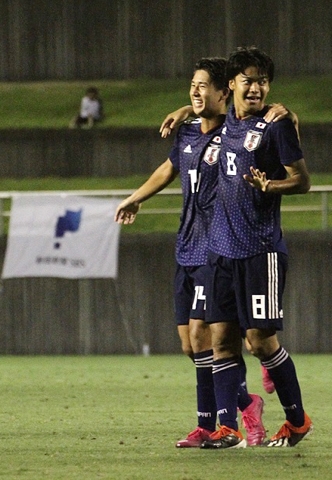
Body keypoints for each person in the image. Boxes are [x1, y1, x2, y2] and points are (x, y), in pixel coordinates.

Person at [115, 57, 272, 448]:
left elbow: (260, 110)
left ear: (224, 93)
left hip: (215, 248)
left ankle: (221, 426)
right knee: (190, 345)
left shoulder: (233, 133)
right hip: (186, 246)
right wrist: (136, 198)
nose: (196, 91)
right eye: (192, 86)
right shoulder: (186, 134)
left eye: (204, 86)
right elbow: (167, 170)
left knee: (208, 337)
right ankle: (243, 403)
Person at [199, 46, 313, 449]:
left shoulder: (276, 125)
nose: (256, 88)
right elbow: (200, 101)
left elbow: (302, 181)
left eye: (263, 81)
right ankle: (227, 428)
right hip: (221, 251)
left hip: (260, 250)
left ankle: (298, 421)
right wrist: (182, 112)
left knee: (261, 341)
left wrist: (272, 185)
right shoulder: (223, 123)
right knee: (223, 341)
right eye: (248, 80)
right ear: (231, 85)